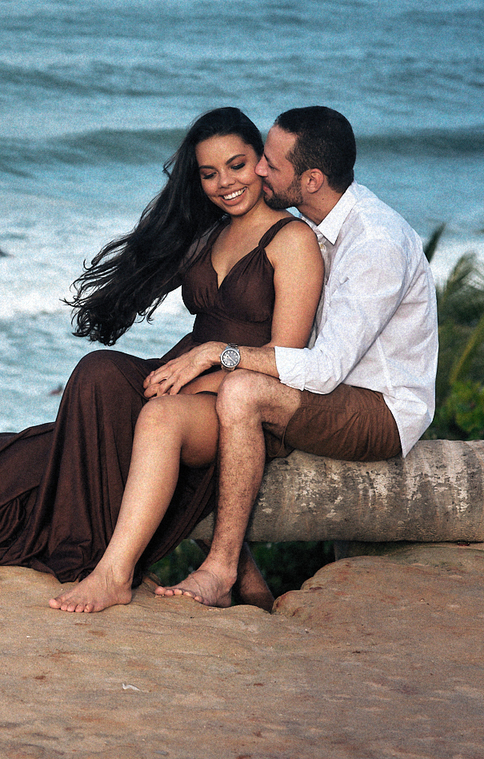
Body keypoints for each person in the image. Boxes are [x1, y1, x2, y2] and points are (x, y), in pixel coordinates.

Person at [0, 107, 324, 612]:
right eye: (208, 173)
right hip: (184, 379)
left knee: (161, 416)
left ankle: (114, 574)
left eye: (237, 165)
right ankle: (72, 527)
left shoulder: (292, 240)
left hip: (240, 405)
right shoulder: (208, 233)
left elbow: (289, 360)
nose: (224, 183)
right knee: (96, 373)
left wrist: (208, 365)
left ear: (261, 162)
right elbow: (142, 281)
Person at [155, 106, 439, 607]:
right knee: (188, 403)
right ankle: (251, 585)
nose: (259, 170)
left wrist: (219, 354)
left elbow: (325, 370)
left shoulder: (373, 243)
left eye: (270, 162)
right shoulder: (319, 224)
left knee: (239, 390)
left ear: (311, 179)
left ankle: (221, 569)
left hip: (381, 410)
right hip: (334, 393)